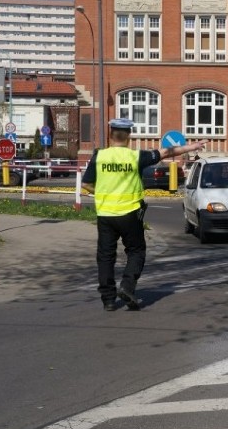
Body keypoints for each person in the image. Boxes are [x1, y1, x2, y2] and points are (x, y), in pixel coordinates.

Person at [82, 118, 207, 311]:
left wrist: (102, 193)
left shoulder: (99, 156)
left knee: (105, 256)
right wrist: (192, 146)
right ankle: (127, 286)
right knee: (136, 251)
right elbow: (167, 152)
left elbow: (86, 184)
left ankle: (108, 299)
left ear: (110, 134)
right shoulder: (136, 157)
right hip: (130, 213)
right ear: (129, 136)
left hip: (106, 215)